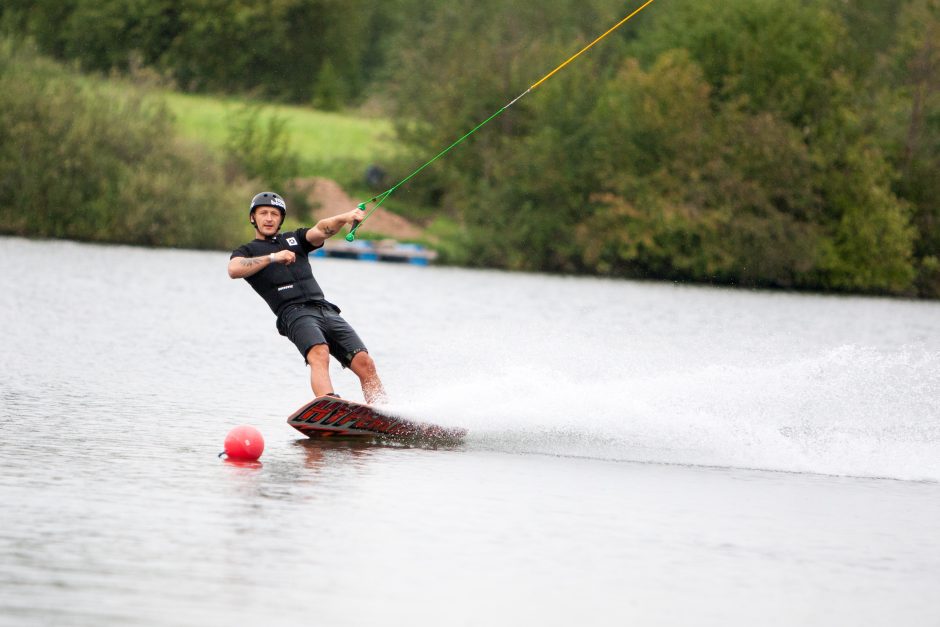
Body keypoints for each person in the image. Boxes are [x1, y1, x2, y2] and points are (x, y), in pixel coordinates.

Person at [228, 191, 387, 404]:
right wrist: (274, 257)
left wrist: (345, 217)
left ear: (280, 219)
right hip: (293, 313)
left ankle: (384, 413)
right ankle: (328, 403)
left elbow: (322, 229)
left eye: (274, 214)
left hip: (325, 309)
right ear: (252, 218)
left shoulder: (295, 239)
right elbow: (233, 269)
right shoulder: (248, 251)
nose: (268, 218)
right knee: (319, 352)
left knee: (365, 362)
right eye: (263, 213)